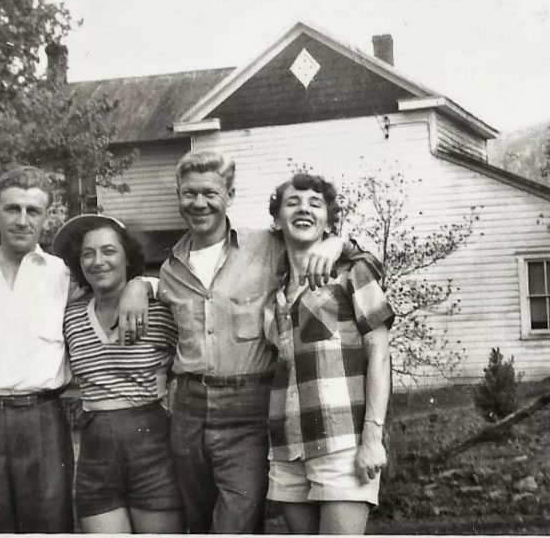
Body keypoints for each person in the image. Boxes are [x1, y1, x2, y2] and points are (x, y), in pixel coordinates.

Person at [156, 150, 380, 534]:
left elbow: (357, 260)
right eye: (188, 193)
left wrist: (337, 244)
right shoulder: (169, 268)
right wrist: (134, 285)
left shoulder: (265, 245)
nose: (199, 203)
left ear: (230, 195)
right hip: (191, 409)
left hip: (250, 406)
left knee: (236, 525)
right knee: (194, 521)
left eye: (210, 193)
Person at [0, 165, 149, 533]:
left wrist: (140, 285)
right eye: (12, 209)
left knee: (49, 527)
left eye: (33, 211)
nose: (22, 220)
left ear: (46, 217)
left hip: (42, 420)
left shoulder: (64, 275)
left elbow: (112, 283)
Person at [264, 173, 393, 534]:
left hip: (342, 443)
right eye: (293, 203)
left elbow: (379, 355)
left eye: (315, 204)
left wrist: (372, 438)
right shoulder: (273, 288)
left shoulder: (353, 272)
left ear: (329, 221)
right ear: (277, 219)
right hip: (289, 447)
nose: (303, 209)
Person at [53, 214, 183, 533]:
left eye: (109, 251)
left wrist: (143, 283)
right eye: (88, 253)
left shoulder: (161, 310)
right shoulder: (69, 316)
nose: (98, 261)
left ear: (128, 256)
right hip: (96, 455)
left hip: (153, 449)